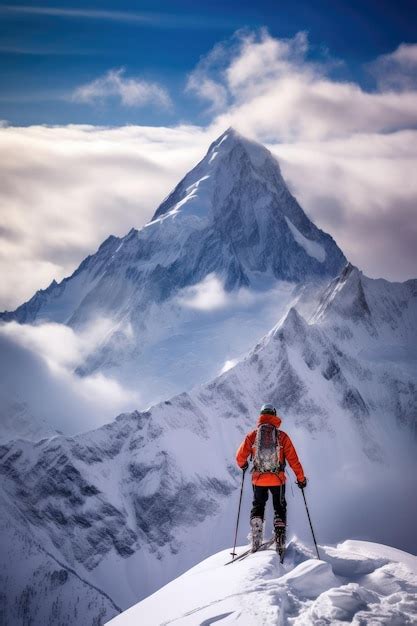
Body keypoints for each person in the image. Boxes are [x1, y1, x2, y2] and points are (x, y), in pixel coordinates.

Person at [236, 403, 307, 553]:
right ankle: (280, 535)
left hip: (258, 478)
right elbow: (294, 460)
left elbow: (240, 456)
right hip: (277, 479)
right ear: (274, 415)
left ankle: (256, 531)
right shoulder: (282, 436)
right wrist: (301, 479)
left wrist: (243, 465)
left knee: (258, 505)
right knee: (279, 506)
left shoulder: (253, 435)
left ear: (261, 415)